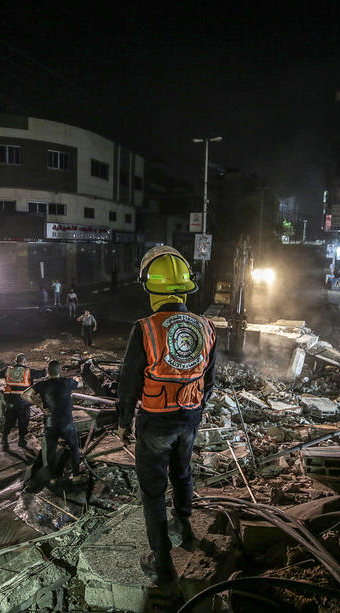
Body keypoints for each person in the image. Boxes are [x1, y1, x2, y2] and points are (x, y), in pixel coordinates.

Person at [117, 245, 217, 586]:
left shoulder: (145, 328)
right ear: (187, 289)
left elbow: (129, 380)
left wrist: (122, 421)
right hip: (189, 417)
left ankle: (162, 562)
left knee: (153, 491)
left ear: (150, 289)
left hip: (155, 420)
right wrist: (195, 412)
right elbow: (209, 380)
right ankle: (184, 524)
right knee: (183, 472)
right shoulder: (206, 326)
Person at [22, 360, 81, 484]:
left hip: (50, 423)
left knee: (51, 450)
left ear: (48, 371)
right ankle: (76, 476)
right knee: (74, 448)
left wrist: (40, 405)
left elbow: (25, 395)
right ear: (60, 371)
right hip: (67, 423)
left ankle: (53, 478)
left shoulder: (42, 385)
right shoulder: (67, 382)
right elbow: (79, 383)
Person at [1, 354, 46, 450]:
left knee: (9, 420)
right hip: (23, 401)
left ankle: (4, 439)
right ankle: (21, 440)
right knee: (23, 421)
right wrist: (47, 367)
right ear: (25, 362)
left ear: (15, 361)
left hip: (10, 401)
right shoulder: (28, 371)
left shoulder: (8, 370)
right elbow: (42, 374)